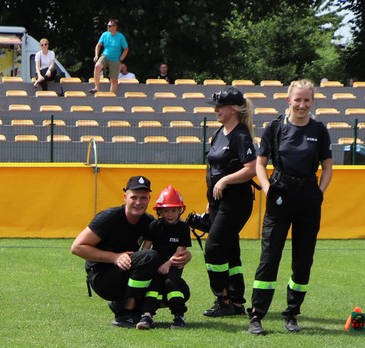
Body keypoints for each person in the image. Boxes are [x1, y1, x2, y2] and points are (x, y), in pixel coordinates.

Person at [249, 78, 333, 335]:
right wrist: (268, 189)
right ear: (289, 100)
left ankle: (292, 313)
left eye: (307, 100)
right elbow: (260, 164)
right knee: (270, 256)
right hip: (280, 195)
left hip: (308, 198)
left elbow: (328, 167)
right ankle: (257, 315)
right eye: (298, 100)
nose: (302, 105)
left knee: (303, 259)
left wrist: (319, 193)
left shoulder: (319, 129)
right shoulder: (275, 127)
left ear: (313, 101)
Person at [71, 174, 174, 328]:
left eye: (143, 198)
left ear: (149, 199)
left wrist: (182, 255)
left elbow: (169, 244)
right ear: (125, 197)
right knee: (149, 256)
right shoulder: (109, 217)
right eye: (134, 197)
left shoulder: (149, 222)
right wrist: (114, 257)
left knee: (178, 290)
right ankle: (126, 313)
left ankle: (128, 305)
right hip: (102, 276)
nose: (138, 202)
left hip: (127, 271)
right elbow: (77, 247)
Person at [194, 87, 258, 319]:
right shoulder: (220, 132)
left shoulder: (241, 135)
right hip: (219, 202)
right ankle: (236, 301)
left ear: (233, 109)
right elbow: (213, 168)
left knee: (214, 247)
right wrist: (210, 201)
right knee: (230, 249)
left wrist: (225, 181)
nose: (216, 110)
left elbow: (251, 168)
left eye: (220, 106)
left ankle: (223, 298)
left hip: (236, 201)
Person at [136, 186, 192, 329]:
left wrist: (168, 264)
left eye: (174, 210)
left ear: (180, 210)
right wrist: (143, 263)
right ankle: (147, 316)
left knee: (171, 283)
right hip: (155, 262)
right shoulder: (154, 225)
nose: (170, 214)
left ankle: (179, 316)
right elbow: (146, 248)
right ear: (159, 211)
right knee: (153, 284)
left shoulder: (183, 228)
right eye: (166, 211)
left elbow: (180, 251)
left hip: (174, 263)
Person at [92, 19, 130, 96]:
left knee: (113, 80)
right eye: (107, 26)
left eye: (109, 26)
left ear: (115, 27)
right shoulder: (105, 34)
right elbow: (98, 45)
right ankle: (96, 87)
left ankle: (111, 96)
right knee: (97, 66)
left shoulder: (120, 36)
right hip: (105, 55)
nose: (108, 27)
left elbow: (126, 49)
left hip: (116, 59)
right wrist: (96, 55)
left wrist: (121, 59)